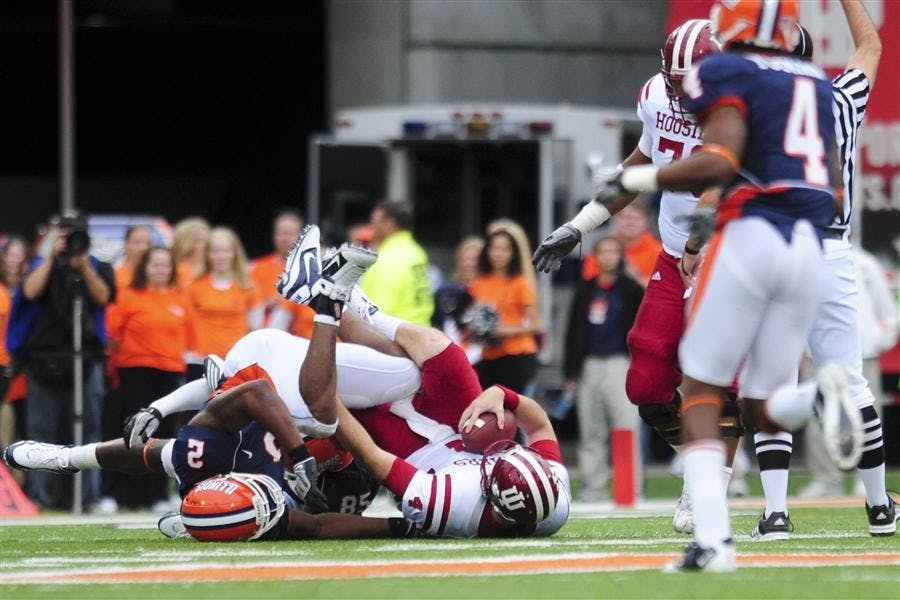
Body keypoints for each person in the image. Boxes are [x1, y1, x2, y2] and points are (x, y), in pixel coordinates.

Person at [539, 0, 858, 571]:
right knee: (760, 400)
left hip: (740, 241)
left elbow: (717, 165)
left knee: (705, 390)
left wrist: (639, 183)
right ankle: (821, 396)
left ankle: (711, 538)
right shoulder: (810, 81)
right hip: (806, 241)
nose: (686, 91)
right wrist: (585, 221)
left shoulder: (730, 74)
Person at [534, 18, 741, 534]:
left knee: (714, 377)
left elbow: (723, 183)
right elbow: (637, 166)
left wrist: (699, 240)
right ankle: (703, 456)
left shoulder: (740, 105)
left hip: (727, 256)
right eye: (673, 81)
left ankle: (706, 483)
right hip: (674, 257)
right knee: (646, 383)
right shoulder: (656, 97)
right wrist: (579, 225)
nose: (678, 92)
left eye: (687, 82)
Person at [751, 5, 897, 540]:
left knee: (773, 380)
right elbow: (871, 47)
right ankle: (880, 507)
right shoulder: (837, 101)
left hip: (777, 246)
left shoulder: (756, 107)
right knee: (853, 382)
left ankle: (775, 512)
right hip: (832, 250)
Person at [6, 214, 115, 510]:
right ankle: (41, 497)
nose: (71, 242)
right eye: (65, 235)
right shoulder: (43, 266)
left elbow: (104, 297)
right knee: (42, 430)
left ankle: (87, 497)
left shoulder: (98, 267)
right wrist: (52, 258)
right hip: (44, 359)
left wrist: (84, 267)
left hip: (86, 359)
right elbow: (30, 292)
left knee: (88, 429)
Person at [103, 246, 196, 509]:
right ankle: (116, 495)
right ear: (144, 267)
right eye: (154, 264)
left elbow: (190, 340)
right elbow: (110, 334)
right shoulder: (128, 297)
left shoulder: (180, 300)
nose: (160, 270)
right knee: (127, 431)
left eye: (165, 265)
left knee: (163, 433)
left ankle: (155, 494)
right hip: (133, 372)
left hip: (168, 374)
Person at [564, 237, 644, 501]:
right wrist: (571, 372)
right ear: (595, 257)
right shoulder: (585, 289)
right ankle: (593, 487)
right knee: (591, 429)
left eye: (613, 252)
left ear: (621, 256)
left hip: (621, 362)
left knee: (625, 426)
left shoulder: (631, 289)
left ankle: (630, 487)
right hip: (589, 364)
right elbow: (573, 331)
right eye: (603, 252)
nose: (608, 257)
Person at [184, 226, 263, 380]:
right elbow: (184, 323)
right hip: (199, 359)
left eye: (226, 251)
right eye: (215, 251)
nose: (221, 256)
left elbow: (255, 327)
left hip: (234, 362)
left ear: (235, 254)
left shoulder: (248, 287)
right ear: (207, 255)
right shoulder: (193, 285)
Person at [469, 228, 543, 392]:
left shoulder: (520, 283)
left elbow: (536, 325)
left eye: (504, 249)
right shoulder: (480, 282)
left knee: (511, 409)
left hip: (516, 354)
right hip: (488, 354)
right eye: (494, 248)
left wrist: (506, 330)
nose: (498, 254)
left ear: (513, 253)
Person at [359, 201, 434, 325]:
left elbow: (375, 312)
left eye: (375, 221)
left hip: (396, 337)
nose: (371, 226)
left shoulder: (388, 258)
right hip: (420, 331)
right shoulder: (417, 252)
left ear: (389, 224)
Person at [249, 209, 305, 324]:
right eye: (281, 233)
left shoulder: (309, 271)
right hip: (263, 334)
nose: (285, 238)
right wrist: (265, 304)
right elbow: (242, 304)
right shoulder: (255, 268)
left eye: (290, 234)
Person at [433, 236, 483, 363]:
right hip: (451, 358)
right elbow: (435, 324)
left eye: (474, 259)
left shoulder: (492, 292)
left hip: (484, 360)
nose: (468, 263)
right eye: (464, 259)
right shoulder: (444, 293)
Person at [171, 217, 210, 289]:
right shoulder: (171, 271)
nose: (206, 245)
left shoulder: (212, 270)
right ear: (186, 244)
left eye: (207, 241)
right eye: (200, 241)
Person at [113, 225, 152, 291]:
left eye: (148, 243)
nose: (143, 248)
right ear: (126, 245)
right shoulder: (115, 272)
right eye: (137, 242)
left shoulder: (157, 272)